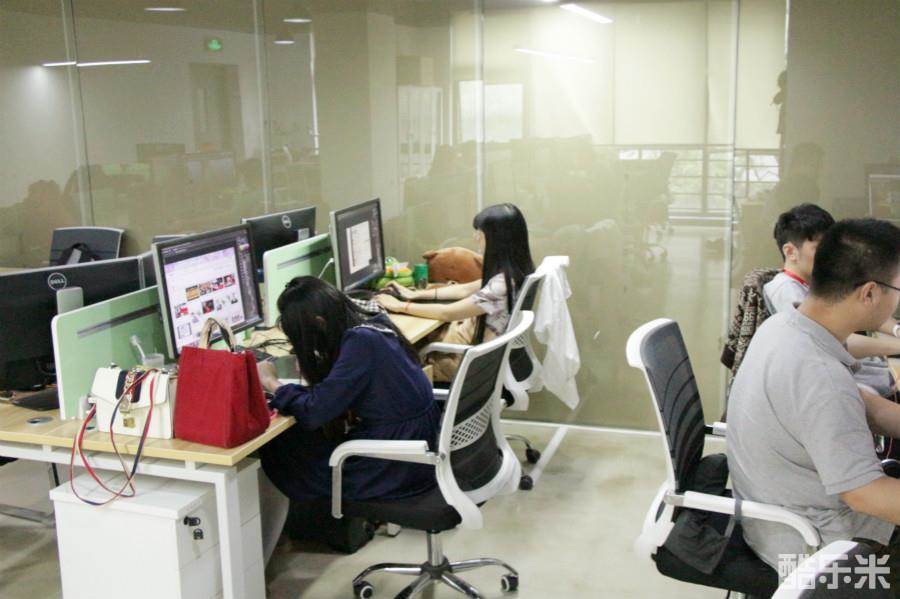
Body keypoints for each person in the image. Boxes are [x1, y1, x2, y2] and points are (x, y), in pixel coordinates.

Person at [727, 219, 900, 582]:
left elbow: (864, 404)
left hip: (775, 512)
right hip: (811, 551)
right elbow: (866, 495)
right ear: (869, 293)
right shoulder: (820, 376)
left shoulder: (786, 325)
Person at [254, 276, 440, 560]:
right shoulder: (373, 323)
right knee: (300, 437)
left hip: (398, 464)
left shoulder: (361, 342)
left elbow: (314, 412)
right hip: (418, 448)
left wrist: (271, 383)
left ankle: (269, 545)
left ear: (319, 322)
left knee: (280, 447)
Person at [375, 203, 535, 380]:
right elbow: (464, 289)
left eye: (480, 233)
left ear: (496, 239)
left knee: (392, 360)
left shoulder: (501, 285)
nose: (476, 237)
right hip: (480, 356)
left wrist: (400, 306)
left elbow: (447, 313)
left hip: (467, 366)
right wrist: (417, 294)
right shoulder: (516, 272)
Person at [765, 204, 900, 362]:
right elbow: (830, 340)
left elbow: (868, 309)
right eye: (821, 247)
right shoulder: (786, 290)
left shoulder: (813, 283)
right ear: (790, 252)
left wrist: (896, 329)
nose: (831, 254)